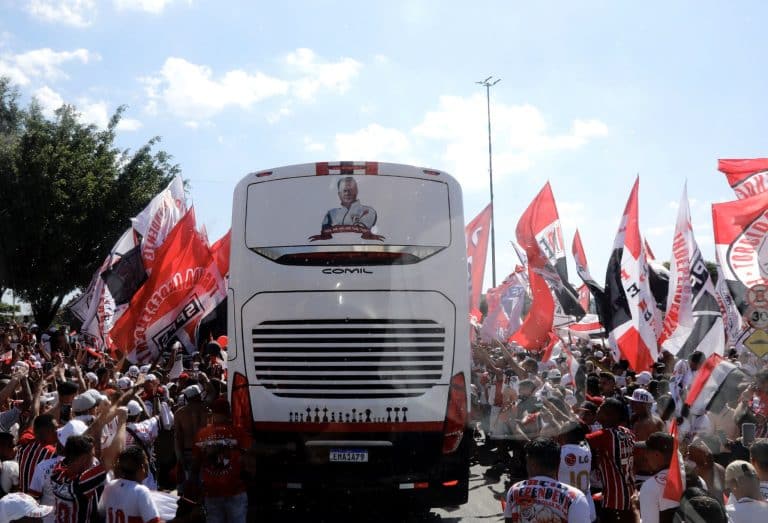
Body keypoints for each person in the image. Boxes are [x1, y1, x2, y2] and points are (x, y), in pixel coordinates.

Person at [503, 437, 591, 523]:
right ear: (559, 462)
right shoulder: (575, 497)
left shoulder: (514, 490)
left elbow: (508, 520)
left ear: (532, 464)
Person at [193, 398, 251, 523]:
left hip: (211, 492)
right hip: (235, 490)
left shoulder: (202, 434)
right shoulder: (239, 432)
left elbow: (196, 463)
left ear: (213, 413)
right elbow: (250, 454)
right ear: (229, 413)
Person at [586, 398, 638, 523]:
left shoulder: (604, 435)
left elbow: (576, 440)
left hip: (614, 500)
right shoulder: (627, 432)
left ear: (610, 414)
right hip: (629, 494)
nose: (597, 410)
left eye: (600, 409)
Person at [50, 435, 107, 523]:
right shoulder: (81, 483)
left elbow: (76, 445)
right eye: (92, 456)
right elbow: (111, 459)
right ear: (84, 459)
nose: (94, 459)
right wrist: (122, 423)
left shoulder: (57, 473)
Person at [98, 446, 162, 523]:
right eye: (146, 463)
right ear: (142, 467)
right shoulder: (141, 491)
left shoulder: (109, 487)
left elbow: (101, 513)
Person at [637, 432, 685, 523]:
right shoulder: (695, 479)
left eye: (647, 452)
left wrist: (635, 510)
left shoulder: (650, 487)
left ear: (657, 455)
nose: (645, 456)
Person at [557, 422, 596, 521]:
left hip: (566, 503)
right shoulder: (587, 450)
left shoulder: (559, 452)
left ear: (564, 435)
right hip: (586, 502)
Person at [173, 384, 209, 493]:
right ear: (198, 395)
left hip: (187, 452)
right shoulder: (206, 411)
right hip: (205, 452)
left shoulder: (179, 413)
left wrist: (180, 458)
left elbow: (178, 437)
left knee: (187, 489)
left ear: (187, 398)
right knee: (203, 488)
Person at [16, 415, 57, 494]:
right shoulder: (51, 453)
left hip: (22, 497)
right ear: (45, 432)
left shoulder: (24, 445)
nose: (58, 432)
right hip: (39, 501)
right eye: (55, 429)